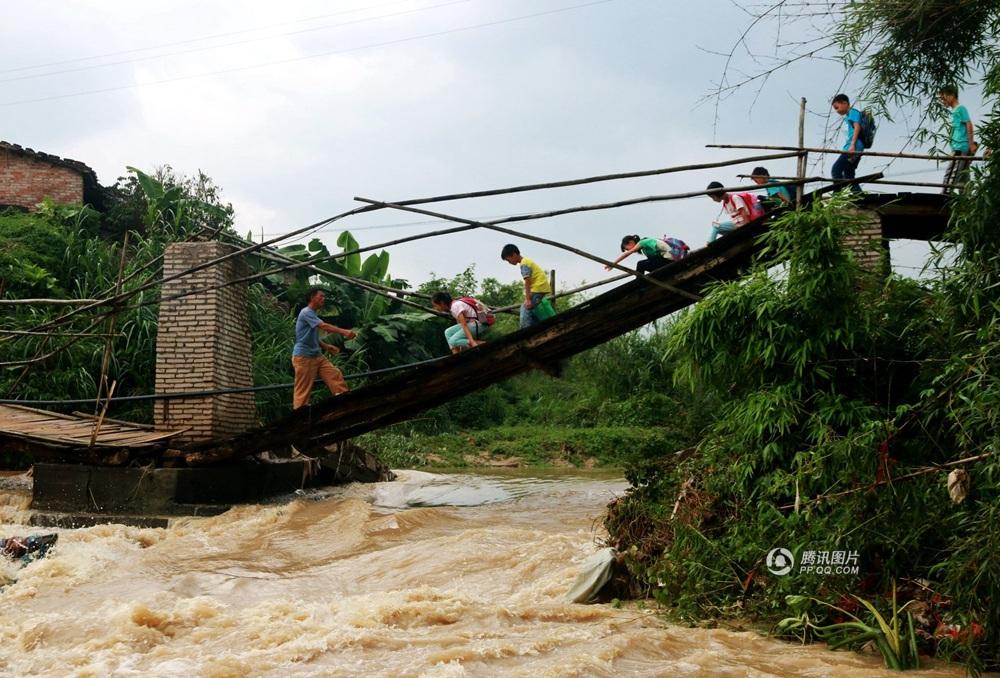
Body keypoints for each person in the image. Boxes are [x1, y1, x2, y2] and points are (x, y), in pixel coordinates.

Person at [292, 287, 356, 409]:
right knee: (303, 391)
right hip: (304, 357)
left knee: (334, 374)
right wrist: (345, 332)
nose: (323, 299)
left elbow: (310, 336)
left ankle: (345, 404)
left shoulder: (312, 314)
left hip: (317, 356)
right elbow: (324, 326)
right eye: (321, 296)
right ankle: (299, 419)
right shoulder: (306, 312)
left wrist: (325, 346)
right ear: (312, 297)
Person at [501, 244, 553, 329]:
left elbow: (527, 282)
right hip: (541, 287)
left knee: (525, 308)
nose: (509, 263)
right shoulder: (526, 261)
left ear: (514, 255)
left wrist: (528, 299)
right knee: (531, 310)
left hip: (538, 288)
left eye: (508, 260)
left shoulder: (524, 264)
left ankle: (524, 332)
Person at [939, 85, 978, 193]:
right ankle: (965, 199)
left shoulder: (960, 109)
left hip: (960, 148)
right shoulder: (955, 111)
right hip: (960, 147)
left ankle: (944, 197)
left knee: (951, 174)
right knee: (963, 176)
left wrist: (971, 144)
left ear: (951, 95)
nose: (943, 101)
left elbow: (969, 124)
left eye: (943, 98)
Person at [604, 235, 688, 274]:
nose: (628, 250)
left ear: (631, 242)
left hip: (670, 260)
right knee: (647, 262)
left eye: (627, 248)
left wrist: (613, 264)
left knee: (640, 264)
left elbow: (627, 254)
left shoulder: (643, 242)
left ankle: (638, 284)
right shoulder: (646, 249)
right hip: (669, 261)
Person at [831, 93, 864, 191]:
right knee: (848, 173)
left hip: (853, 146)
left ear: (844, 103)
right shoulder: (849, 115)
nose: (836, 111)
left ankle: (837, 195)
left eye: (837, 107)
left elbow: (857, 126)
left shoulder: (853, 112)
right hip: (855, 146)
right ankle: (858, 195)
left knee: (836, 170)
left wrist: (852, 145)